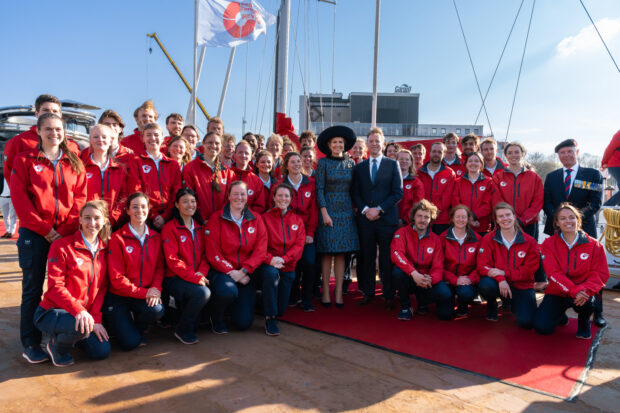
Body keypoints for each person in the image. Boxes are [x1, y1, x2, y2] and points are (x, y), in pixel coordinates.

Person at [11, 113, 86, 364]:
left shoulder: (74, 162)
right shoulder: (25, 160)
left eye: (58, 129)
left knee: (65, 286)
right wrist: (46, 230)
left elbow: (80, 199)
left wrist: (64, 230)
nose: (54, 133)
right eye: (49, 129)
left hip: (65, 235)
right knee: (32, 288)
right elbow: (20, 200)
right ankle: (31, 343)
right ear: (39, 131)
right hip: (34, 234)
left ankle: (60, 335)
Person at [34, 200, 111, 366]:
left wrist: (96, 318)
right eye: (87, 217)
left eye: (97, 218)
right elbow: (55, 287)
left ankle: (74, 336)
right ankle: (56, 346)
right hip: (52, 312)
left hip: (83, 316)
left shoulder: (105, 250)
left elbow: (102, 287)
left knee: (101, 351)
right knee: (79, 326)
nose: (92, 223)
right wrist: (79, 311)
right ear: (80, 220)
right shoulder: (61, 246)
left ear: (104, 221)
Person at [543, 138, 605, 327]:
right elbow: (547, 202)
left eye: (569, 151)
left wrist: (573, 220)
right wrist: (560, 220)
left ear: (577, 152)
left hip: (584, 228)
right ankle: (559, 307)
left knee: (592, 270)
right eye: (562, 153)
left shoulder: (592, 174)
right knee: (559, 269)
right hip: (558, 229)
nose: (566, 155)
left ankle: (597, 312)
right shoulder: (552, 177)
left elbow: (595, 202)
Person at [533, 204, 609, 339]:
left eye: (571, 217)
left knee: (587, 302)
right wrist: (573, 290)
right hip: (558, 291)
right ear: (557, 223)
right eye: (562, 218)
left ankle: (584, 322)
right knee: (542, 327)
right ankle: (560, 316)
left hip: (583, 293)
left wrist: (583, 290)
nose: (568, 221)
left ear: (578, 220)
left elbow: (600, 274)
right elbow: (553, 273)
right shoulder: (548, 244)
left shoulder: (594, 245)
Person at [204, 181, 268, 333]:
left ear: (247, 196)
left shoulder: (256, 219)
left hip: (246, 274)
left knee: (243, 323)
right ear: (228, 196)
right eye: (235, 194)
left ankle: (233, 308)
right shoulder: (216, 218)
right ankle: (216, 317)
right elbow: (213, 252)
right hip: (223, 272)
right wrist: (232, 272)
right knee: (227, 291)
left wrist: (244, 271)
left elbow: (260, 251)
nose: (239, 197)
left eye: (242, 194)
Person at [106, 192, 165, 350]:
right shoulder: (117, 238)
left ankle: (138, 326)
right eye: (135, 207)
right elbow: (117, 279)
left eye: (143, 207)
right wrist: (145, 293)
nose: (140, 210)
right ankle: (120, 324)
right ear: (127, 210)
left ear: (148, 209)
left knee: (157, 310)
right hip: (120, 296)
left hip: (143, 294)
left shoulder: (155, 237)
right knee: (129, 344)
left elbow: (160, 268)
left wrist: (155, 289)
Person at [352, 127, 402, 308]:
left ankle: (388, 295)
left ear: (383, 143)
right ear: (367, 144)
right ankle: (368, 292)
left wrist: (379, 210)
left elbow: (397, 193)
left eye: (377, 141)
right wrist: (366, 210)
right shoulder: (360, 167)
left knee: (386, 259)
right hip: (366, 220)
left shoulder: (392, 164)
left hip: (386, 220)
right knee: (367, 257)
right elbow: (355, 193)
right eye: (371, 141)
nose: (374, 144)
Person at [161, 188, 211, 345]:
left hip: (195, 277)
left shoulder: (200, 228)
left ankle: (185, 319)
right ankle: (182, 330)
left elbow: (205, 255)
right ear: (177, 205)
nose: (190, 205)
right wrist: (194, 277)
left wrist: (201, 273)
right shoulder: (170, 228)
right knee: (202, 293)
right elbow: (172, 260)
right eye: (185, 201)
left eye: (193, 201)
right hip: (175, 278)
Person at [317, 126, 360, 307]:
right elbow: (319, 189)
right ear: (329, 145)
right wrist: (324, 213)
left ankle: (339, 291)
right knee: (327, 252)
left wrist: (356, 209)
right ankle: (326, 291)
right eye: (334, 142)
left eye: (340, 142)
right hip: (328, 211)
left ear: (345, 144)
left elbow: (354, 189)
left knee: (342, 252)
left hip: (346, 212)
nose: (337, 145)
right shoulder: (323, 163)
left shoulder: (351, 164)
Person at [477, 202, 539, 327]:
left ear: (514, 216)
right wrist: (501, 278)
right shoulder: (488, 239)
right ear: (496, 220)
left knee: (525, 322)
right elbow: (482, 266)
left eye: (508, 215)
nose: (505, 219)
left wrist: (505, 273)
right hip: (497, 283)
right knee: (485, 284)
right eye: (500, 216)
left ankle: (509, 302)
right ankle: (492, 303)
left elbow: (529, 271)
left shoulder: (530, 241)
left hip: (521, 285)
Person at [259, 183, 306, 335]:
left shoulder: (297, 220)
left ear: (291, 199)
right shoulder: (264, 218)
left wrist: (284, 259)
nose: (283, 199)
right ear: (273, 197)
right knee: (271, 274)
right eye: (279, 195)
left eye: (286, 196)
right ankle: (270, 318)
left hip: (288, 265)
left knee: (281, 311)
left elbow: (299, 246)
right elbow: (260, 245)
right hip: (269, 264)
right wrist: (271, 260)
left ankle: (263, 302)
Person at [275, 152, 318, 311]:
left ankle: (306, 298)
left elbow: (313, 210)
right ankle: (293, 295)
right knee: (292, 264)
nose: (297, 164)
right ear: (286, 166)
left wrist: (310, 233)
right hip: (287, 234)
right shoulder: (280, 185)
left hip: (306, 233)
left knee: (309, 262)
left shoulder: (310, 184)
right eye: (292, 162)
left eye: (298, 161)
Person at [3, 94, 79, 185]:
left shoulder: (72, 145)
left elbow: (79, 176)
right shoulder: (19, 141)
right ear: (37, 114)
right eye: (45, 110)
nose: (50, 113)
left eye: (55, 111)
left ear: (60, 115)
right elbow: (10, 176)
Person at [391, 200, 444, 320]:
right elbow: (397, 254)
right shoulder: (402, 233)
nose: (422, 220)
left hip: (426, 279)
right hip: (409, 276)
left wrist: (430, 278)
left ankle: (422, 303)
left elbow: (438, 265)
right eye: (419, 216)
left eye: (426, 217)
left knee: (443, 293)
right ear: (413, 217)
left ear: (431, 220)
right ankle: (406, 307)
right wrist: (413, 273)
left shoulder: (436, 239)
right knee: (397, 272)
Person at [127, 123, 182, 230]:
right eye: (148, 135)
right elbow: (136, 190)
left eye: (156, 135)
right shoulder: (136, 161)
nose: (152, 138)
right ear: (143, 139)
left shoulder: (173, 164)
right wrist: (153, 215)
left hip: (170, 216)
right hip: (146, 216)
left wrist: (166, 216)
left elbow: (176, 192)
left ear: (162, 138)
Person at [492, 142, 543, 239]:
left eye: (516, 152)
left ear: (522, 154)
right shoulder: (498, 177)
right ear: (506, 156)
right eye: (510, 153)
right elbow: (497, 200)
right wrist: (508, 218)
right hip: (505, 223)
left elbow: (538, 202)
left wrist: (522, 220)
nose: (513, 155)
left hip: (529, 224)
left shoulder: (534, 177)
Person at [81, 124, 128, 229]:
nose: (100, 140)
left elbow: (124, 197)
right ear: (90, 140)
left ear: (111, 140)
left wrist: (112, 218)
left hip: (111, 224)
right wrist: (87, 218)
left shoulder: (119, 169)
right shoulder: (81, 167)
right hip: (88, 224)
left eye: (104, 137)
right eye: (95, 137)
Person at [438, 205, 481, 319]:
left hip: (466, 281)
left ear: (468, 219)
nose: (460, 220)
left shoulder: (477, 239)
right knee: (444, 315)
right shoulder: (442, 237)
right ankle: (448, 300)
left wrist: (470, 279)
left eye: (464, 217)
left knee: (466, 293)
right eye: (457, 217)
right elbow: (437, 265)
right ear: (452, 218)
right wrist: (454, 279)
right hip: (447, 279)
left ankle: (463, 306)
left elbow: (481, 265)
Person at [183, 131, 236, 224]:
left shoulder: (228, 173)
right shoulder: (190, 168)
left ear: (221, 146)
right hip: (198, 222)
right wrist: (202, 219)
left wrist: (219, 219)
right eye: (210, 142)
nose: (214, 146)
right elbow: (188, 196)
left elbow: (229, 200)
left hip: (221, 222)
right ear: (203, 144)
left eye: (217, 143)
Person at [417, 142, 456, 234]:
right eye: (434, 151)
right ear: (429, 153)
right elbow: (419, 194)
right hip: (422, 217)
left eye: (439, 152)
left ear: (444, 154)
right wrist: (426, 210)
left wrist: (434, 210)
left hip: (442, 219)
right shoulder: (419, 172)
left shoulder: (450, 173)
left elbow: (448, 196)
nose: (436, 154)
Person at [452, 152, 493, 234]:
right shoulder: (458, 182)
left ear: (481, 164)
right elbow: (455, 202)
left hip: (481, 226)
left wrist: (474, 216)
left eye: (476, 161)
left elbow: (488, 205)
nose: (473, 163)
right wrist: (467, 219)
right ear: (466, 164)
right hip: (462, 226)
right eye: (470, 161)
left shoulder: (489, 182)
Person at [231, 140, 265, 213]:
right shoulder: (226, 176)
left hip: (249, 218)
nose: (243, 155)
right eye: (240, 152)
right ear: (234, 155)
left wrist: (246, 216)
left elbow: (259, 206)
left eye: (246, 153)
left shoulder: (256, 181)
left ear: (251, 157)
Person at [396, 149, 424, 225]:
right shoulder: (389, 180)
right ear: (396, 161)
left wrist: (405, 220)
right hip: (389, 222)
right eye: (401, 159)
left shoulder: (416, 183)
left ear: (411, 162)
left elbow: (417, 205)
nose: (404, 161)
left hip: (407, 223)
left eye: (407, 159)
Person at [601, 130, 620, 206]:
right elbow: (609, 149)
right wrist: (604, 162)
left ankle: (616, 210)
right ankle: (605, 207)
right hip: (616, 165)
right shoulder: (618, 135)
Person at [0, 172, 16, 238]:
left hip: (12, 197)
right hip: (2, 197)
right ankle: (7, 231)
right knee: (5, 216)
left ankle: (11, 232)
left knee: (12, 215)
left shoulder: (13, 176)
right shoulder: (1, 176)